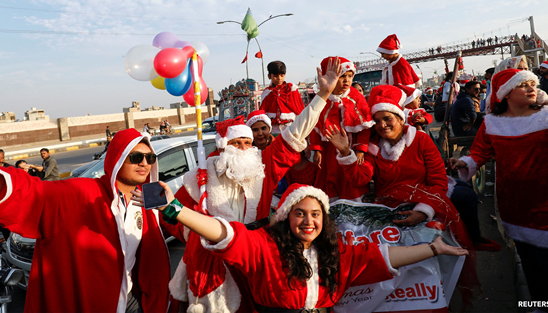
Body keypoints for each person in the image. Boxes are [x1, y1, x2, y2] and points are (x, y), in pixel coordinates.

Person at [163, 58, 345, 312]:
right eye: (237, 143)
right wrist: (196, 235)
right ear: (223, 145)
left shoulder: (262, 165)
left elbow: (295, 133)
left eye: (247, 144)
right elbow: (172, 220)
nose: (243, 149)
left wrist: (322, 96)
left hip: (256, 255)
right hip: (214, 259)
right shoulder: (200, 177)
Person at [136, 182, 467, 312]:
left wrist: (434, 249)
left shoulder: (334, 251)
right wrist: (176, 210)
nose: (308, 222)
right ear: (286, 217)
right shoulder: (264, 246)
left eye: (315, 214)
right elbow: (225, 233)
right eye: (299, 214)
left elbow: (382, 256)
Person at [326, 84, 479, 305]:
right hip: (389, 208)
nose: (381, 125)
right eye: (376, 121)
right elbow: (360, 178)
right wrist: (345, 153)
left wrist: (423, 212)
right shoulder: (373, 146)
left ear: (399, 118)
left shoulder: (422, 140)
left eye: (387, 118)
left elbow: (437, 181)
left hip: (425, 202)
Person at [0, 129, 172, 312]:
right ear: (117, 158)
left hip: (129, 298)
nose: (144, 163)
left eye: (150, 158)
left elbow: (186, 228)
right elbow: (37, 194)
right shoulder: (84, 192)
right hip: (91, 302)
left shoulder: (148, 202)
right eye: (136, 157)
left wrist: (171, 208)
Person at [450, 69, 548, 311]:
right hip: (515, 206)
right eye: (524, 85)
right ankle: (538, 304)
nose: (532, 88)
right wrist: (465, 163)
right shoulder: (492, 124)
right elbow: (479, 152)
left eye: (533, 83)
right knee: (529, 264)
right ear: (507, 93)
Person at [310, 56, 373, 202]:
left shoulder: (356, 97)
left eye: (350, 76)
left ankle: (353, 203)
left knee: (349, 177)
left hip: (351, 148)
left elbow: (365, 127)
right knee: (330, 176)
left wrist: (360, 149)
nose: (347, 80)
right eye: (342, 76)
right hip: (329, 150)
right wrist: (317, 149)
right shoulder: (321, 100)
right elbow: (315, 126)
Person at [260, 61, 305, 134]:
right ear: (269, 76)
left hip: (290, 127)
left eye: (282, 75)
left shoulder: (291, 89)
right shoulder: (266, 93)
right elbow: (262, 112)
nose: (279, 78)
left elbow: (299, 108)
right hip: (273, 129)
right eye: (275, 76)